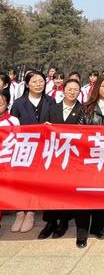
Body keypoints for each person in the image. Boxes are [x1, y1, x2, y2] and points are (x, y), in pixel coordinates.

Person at [74, 74, 104, 248]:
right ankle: (82, 231)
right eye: (103, 86)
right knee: (84, 195)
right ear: (97, 87)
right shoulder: (86, 107)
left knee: (101, 193)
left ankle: (98, 227)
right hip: (88, 158)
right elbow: (78, 133)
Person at [10, 70, 55, 233]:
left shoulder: (51, 101)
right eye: (34, 81)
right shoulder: (18, 103)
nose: (38, 84)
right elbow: (12, 125)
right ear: (27, 84)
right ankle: (19, 212)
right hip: (24, 148)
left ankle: (30, 212)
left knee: (37, 180)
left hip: (43, 147)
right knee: (21, 180)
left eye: (41, 81)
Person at [39, 79, 84, 239]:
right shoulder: (53, 108)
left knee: (67, 190)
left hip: (73, 156)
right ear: (63, 90)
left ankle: (64, 222)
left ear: (80, 92)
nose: (72, 92)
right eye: (69, 89)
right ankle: (50, 222)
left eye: (76, 90)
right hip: (55, 156)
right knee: (52, 189)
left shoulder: (83, 110)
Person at [0, 90, 20, 235]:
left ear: (7, 103)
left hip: (5, 163)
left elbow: (18, 141)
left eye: (1, 103)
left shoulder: (13, 120)